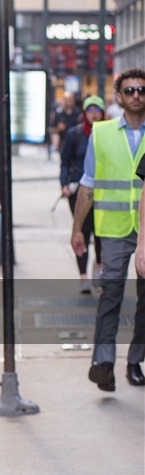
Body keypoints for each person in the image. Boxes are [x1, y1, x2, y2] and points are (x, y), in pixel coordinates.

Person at [72, 68, 145, 391]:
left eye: (141, 90)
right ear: (119, 96)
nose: (136, 96)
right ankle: (103, 362)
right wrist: (77, 230)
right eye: (129, 91)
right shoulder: (100, 133)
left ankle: (135, 361)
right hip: (113, 229)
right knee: (111, 295)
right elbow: (87, 184)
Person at [61, 96, 106, 292]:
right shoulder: (75, 134)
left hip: (103, 191)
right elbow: (65, 161)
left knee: (101, 234)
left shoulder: (109, 135)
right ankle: (83, 277)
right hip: (79, 189)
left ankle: (98, 264)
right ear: (85, 113)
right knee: (82, 230)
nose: (94, 113)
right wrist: (64, 184)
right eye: (90, 109)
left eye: (98, 109)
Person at [50, 93, 81, 158]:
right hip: (63, 143)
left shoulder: (78, 114)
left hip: (75, 143)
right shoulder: (59, 114)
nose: (68, 102)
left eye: (70, 100)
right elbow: (52, 130)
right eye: (66, 100)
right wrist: (59, 128)